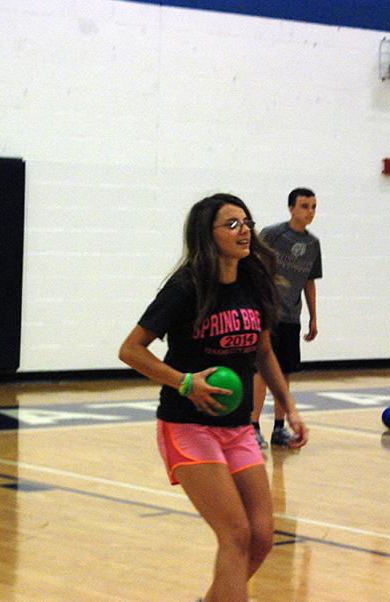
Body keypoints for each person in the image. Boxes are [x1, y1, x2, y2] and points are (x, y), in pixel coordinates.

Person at [119, 193, 309, 602]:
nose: (245, 232)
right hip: (187, 426)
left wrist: (288, 406)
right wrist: (185, 383)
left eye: (247, 223)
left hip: (238, 428)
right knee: (235, 533)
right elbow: (131, 349)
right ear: (208, 235)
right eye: (233, 224)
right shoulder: (186, 287)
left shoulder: (254, 282)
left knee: (261, 537)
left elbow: (263, 352)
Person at [251, 188, 322, 448]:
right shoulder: (273, 234)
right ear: (291, 208)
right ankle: (253, 426)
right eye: (304, 206)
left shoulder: (313, 244)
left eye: (314, 206)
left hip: (292, 315)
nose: (310, 212)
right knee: (261, 370)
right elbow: (252, 266)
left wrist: (313, 316)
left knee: (286, 371)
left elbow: (309, 282)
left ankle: (279, 428)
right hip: (268, 314)